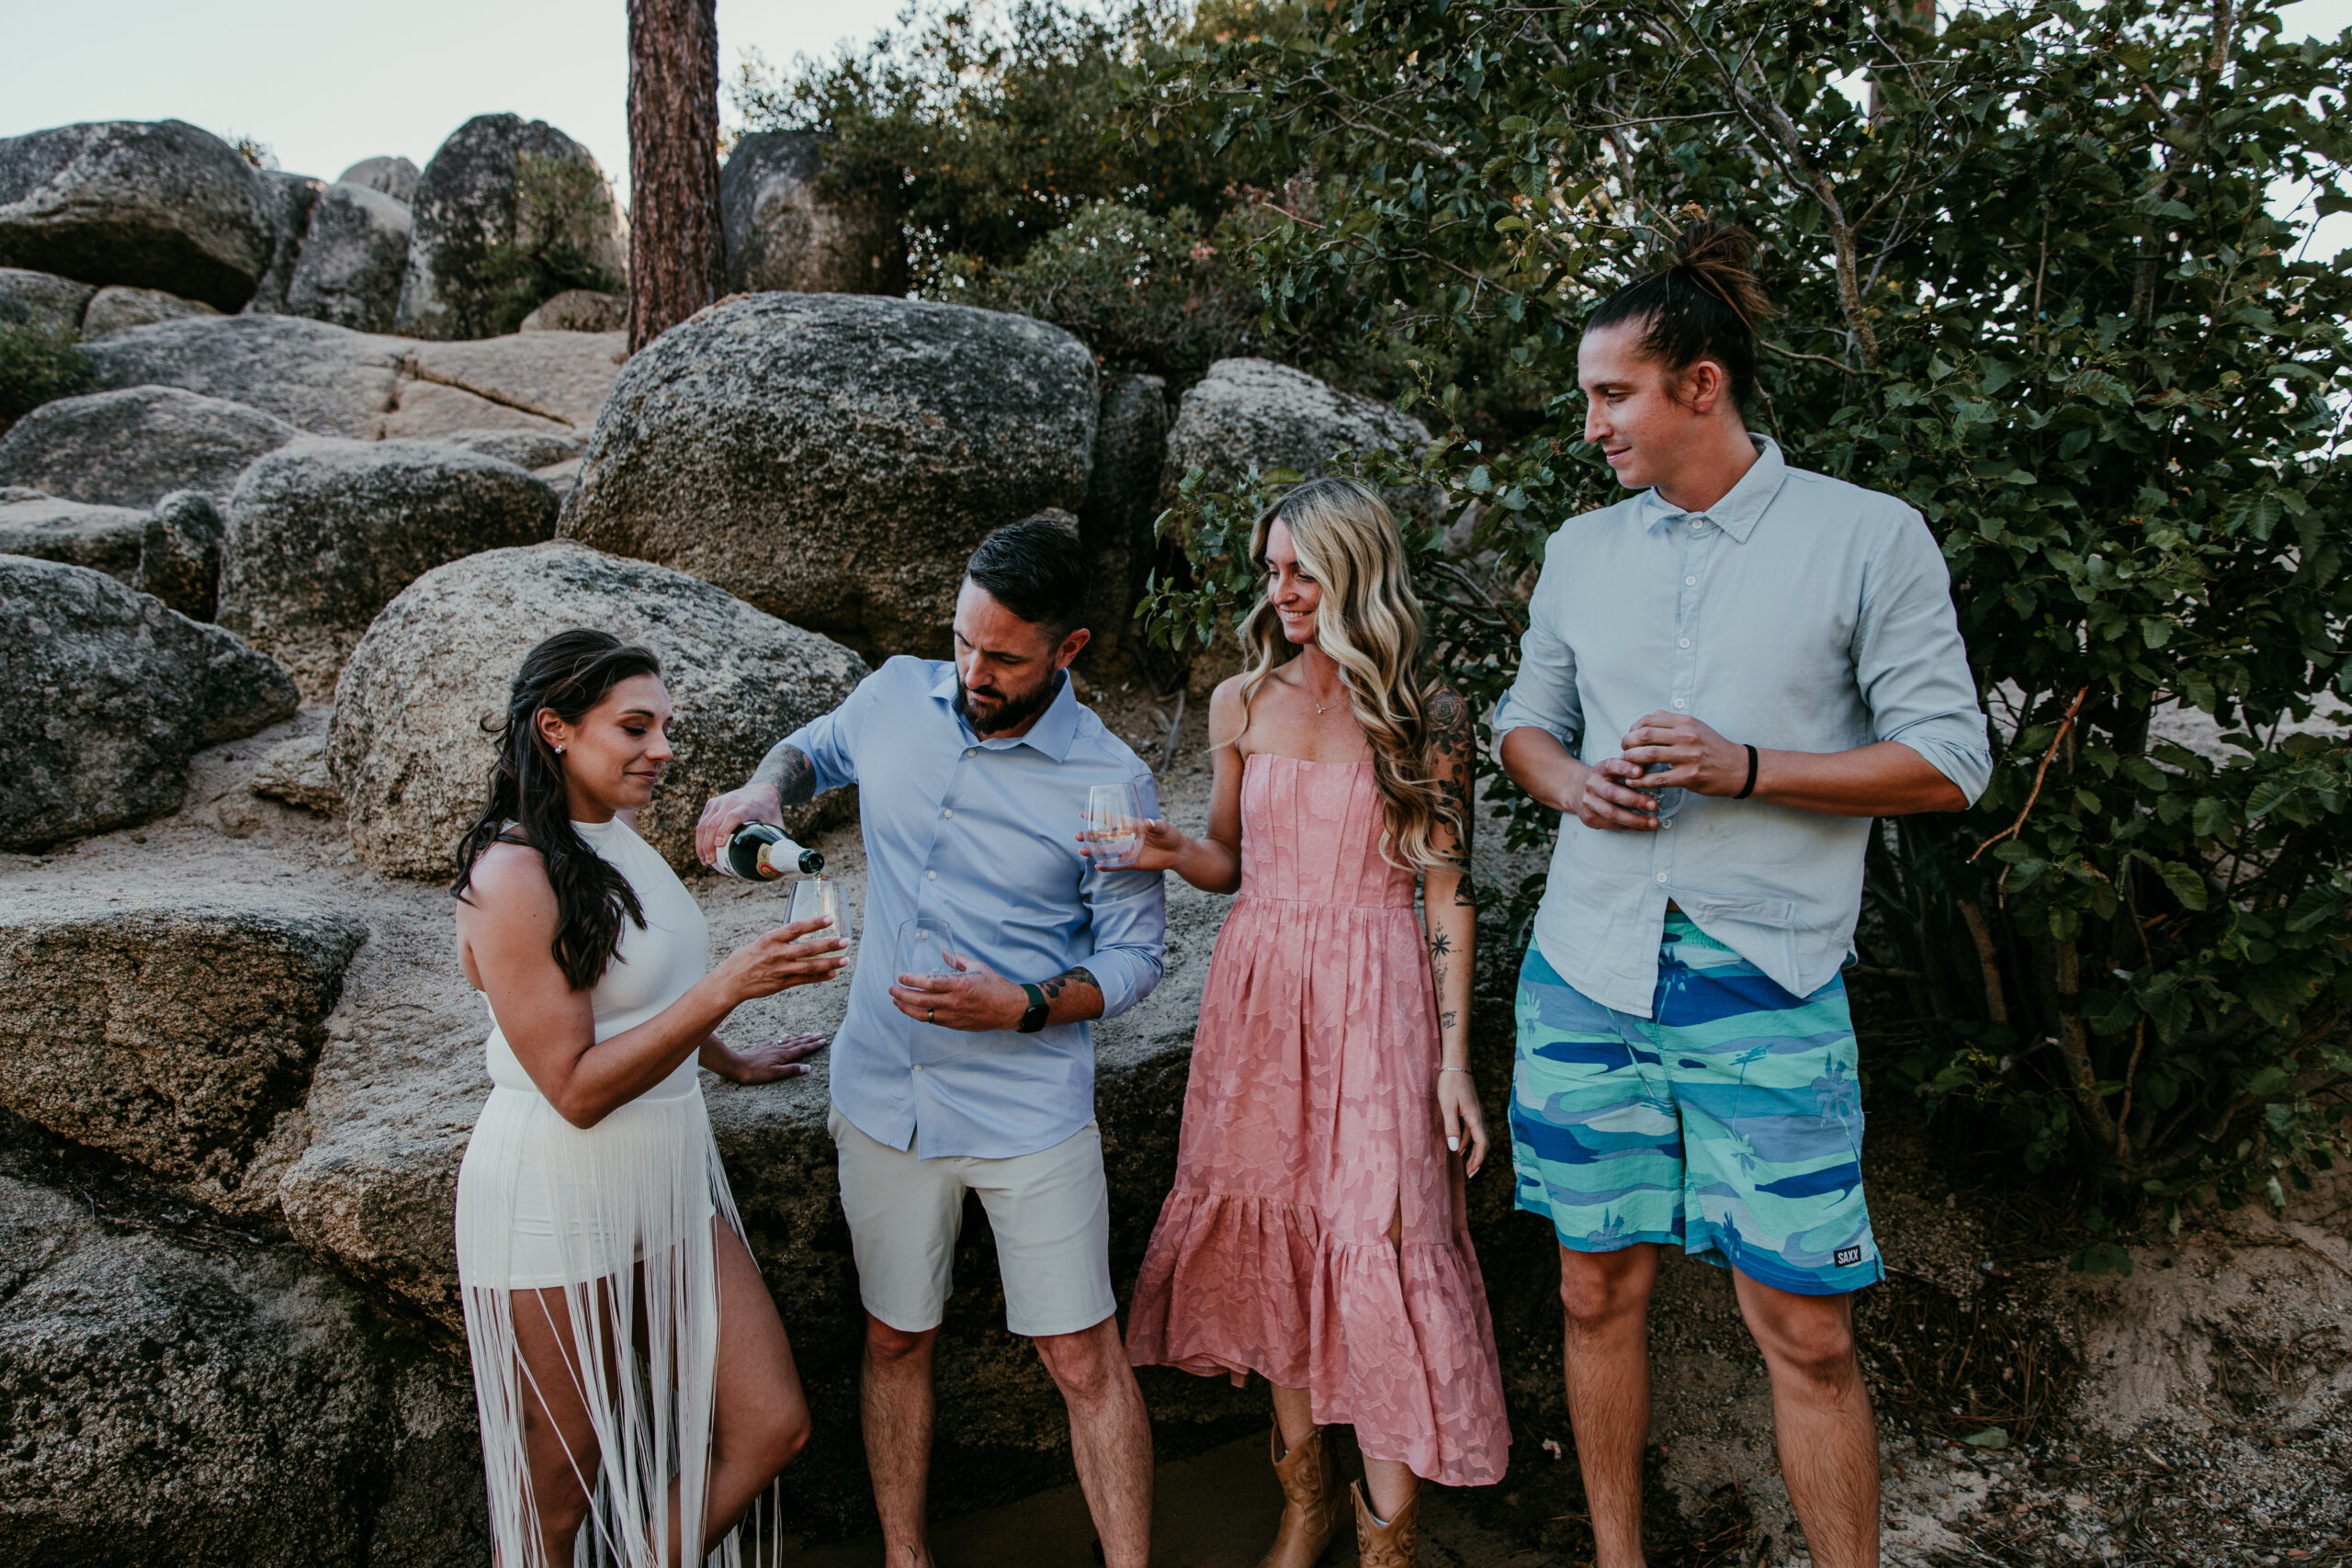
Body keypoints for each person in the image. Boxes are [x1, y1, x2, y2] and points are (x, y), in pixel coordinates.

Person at [1492, 221, 1992, 1568]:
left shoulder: (1867, 536)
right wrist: (1567, 783)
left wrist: (1748, 765)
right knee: (1595, 1291)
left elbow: (1952, 761)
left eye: (1613, 393)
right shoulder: (1582, 549)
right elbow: (1521, 724)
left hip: (1765, 975)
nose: (1591, 422)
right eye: (1590, 396)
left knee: (1809, 1330)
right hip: (1586, 970)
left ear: (1700, 385)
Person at [695, 516, 1167, 1568]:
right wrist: (765, 790)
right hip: (880, 1091)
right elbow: (812, 751)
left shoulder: (1107, 780)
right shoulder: (896, 696)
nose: (970, 671)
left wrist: (1026, 1003)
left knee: (1083, 1357)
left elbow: (1138, 958)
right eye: (962, 640)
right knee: (895, 1337)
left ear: (1069, 649)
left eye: (1002, 656)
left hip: (1029, 1107)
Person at [1114, 476, 1510, 1568]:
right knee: (1270, 1228)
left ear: (1356, 571)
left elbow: (1445, 889)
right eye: (1270, 570)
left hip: (1379, 992)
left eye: (1301, 569)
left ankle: (1391, 1535)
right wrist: (1164, 849)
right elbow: (1226, 860)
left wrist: (1453, 1060)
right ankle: (1306, 1497)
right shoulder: (1240, 699)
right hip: (1261, 991)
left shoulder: (1423, 710)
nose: (1279, 590)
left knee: (1373, 1234)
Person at [451, 628, 844, 1568]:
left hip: (665, 1173)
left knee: (771, 1426)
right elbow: (574, 1090)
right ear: (555, 729)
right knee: (559, 1488)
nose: (662, 749)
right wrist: (729, 990)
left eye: (663, 726)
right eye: (635, 726)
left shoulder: (615, 837)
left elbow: (646, 976)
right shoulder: (511, 875)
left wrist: (726, 1055)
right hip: (555, 1192)